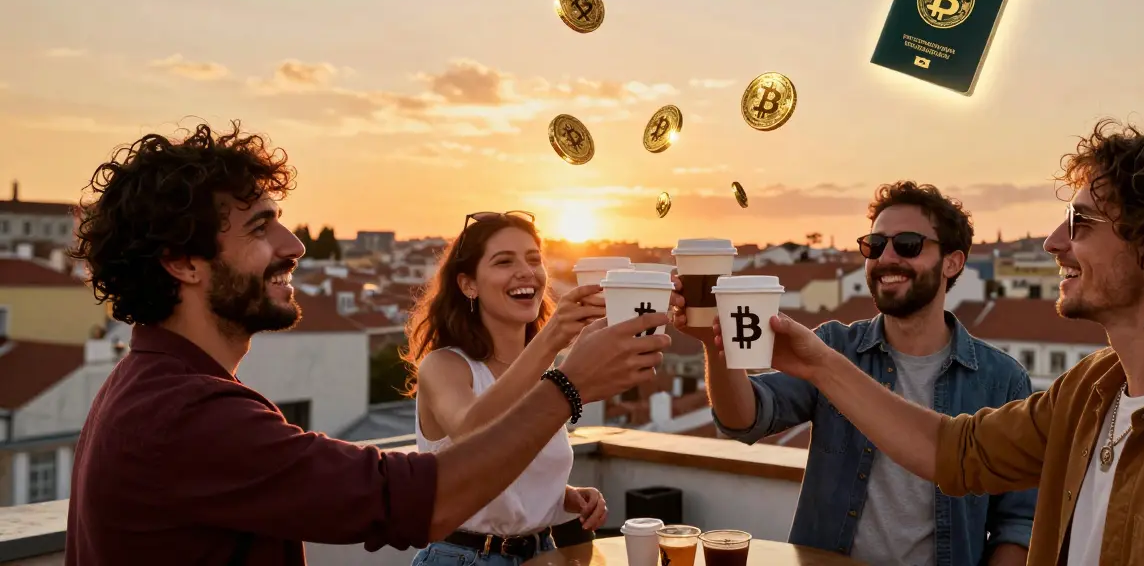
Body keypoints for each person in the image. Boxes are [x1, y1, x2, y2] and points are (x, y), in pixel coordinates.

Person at [63, 122, 673, 565]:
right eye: (259, 226)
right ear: (182, 263)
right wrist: (568, 385)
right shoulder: (185, 415)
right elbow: (411, 498)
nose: (295, 245)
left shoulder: (152, 391)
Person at [709, 119, 1144, 565]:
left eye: (1081, 223)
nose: (1054, 241)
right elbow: (953, 453)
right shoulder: (1091, 390)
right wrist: (819, 362)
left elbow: (1012, 520)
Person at [686, 181, 1036, 565]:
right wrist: (712, 342)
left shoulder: (1001, 379)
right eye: (874, 245)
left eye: (907, 244)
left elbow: (1019, 521)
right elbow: (745, 419)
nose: (886, 258)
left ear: (952, 262)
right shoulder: (834, 348)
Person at [404, 210, 675, 564]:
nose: (526, 271)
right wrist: (550, 341)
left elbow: (508, 464)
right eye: (504, 261)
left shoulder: (542, 372)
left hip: (541, 554)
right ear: (468, 284)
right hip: (464, 557)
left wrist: (562, 497)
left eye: (534, 259)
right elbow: (473, 432)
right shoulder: (444, 366)